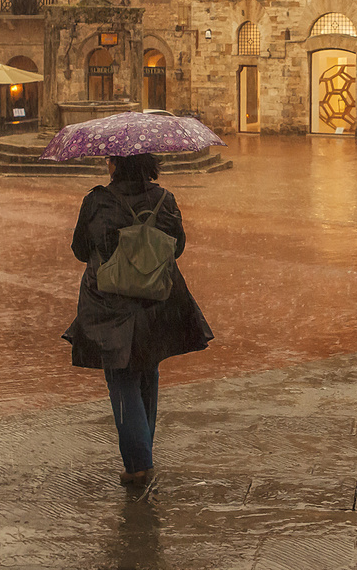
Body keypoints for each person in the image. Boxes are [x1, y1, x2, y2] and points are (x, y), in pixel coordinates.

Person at [63, 153, 213, 489]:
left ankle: (138, 463)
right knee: (148, 368)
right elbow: (178, 247)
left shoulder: (97, 200)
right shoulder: (164, 199)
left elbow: (80, 249)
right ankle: (143, 450)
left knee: (121, 376)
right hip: (155, 298)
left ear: (116, 164)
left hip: (109, 302)